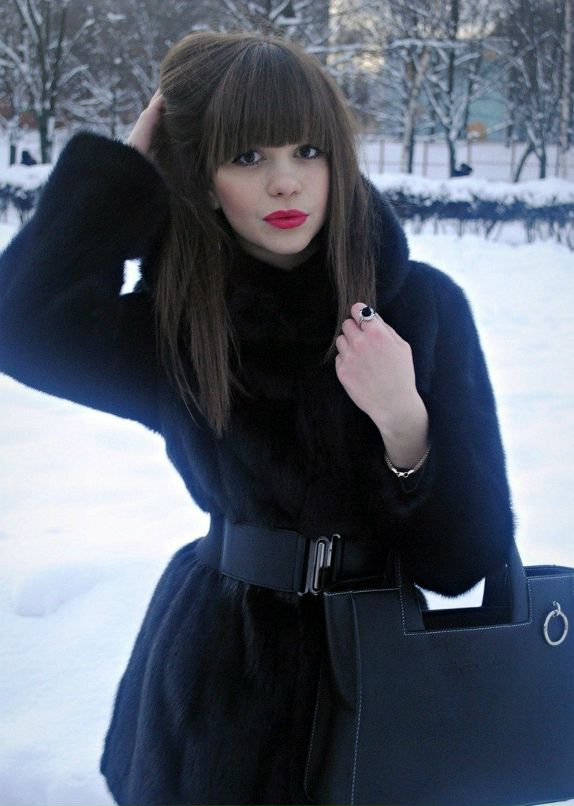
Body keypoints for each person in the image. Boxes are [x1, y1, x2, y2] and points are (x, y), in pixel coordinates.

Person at [0, 31, 514, 806]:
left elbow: (463, 560)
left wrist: (404, 421)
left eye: (308, 150)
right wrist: (124, 176)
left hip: (382, 681)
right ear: (202, 180)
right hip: (220, 689)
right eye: (246, 157)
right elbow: (21, 325)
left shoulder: (421, 307)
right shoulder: (183, 323)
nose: (285, 182)